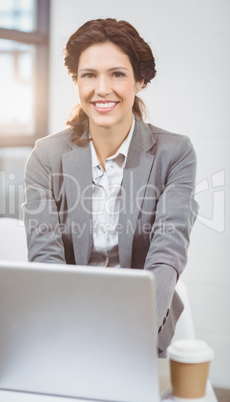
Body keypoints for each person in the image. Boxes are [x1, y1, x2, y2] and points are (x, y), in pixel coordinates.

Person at [22, 18, 199, 355]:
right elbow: (45, 256)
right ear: (76, 81)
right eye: (89, 74)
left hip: (143, 323)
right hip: (66, 320)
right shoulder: (46, 155)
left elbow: (167, 253)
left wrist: (134, 330)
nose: (101, 89)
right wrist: (71, 329)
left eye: (117, 74)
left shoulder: (175, 153)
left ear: (140, 80)